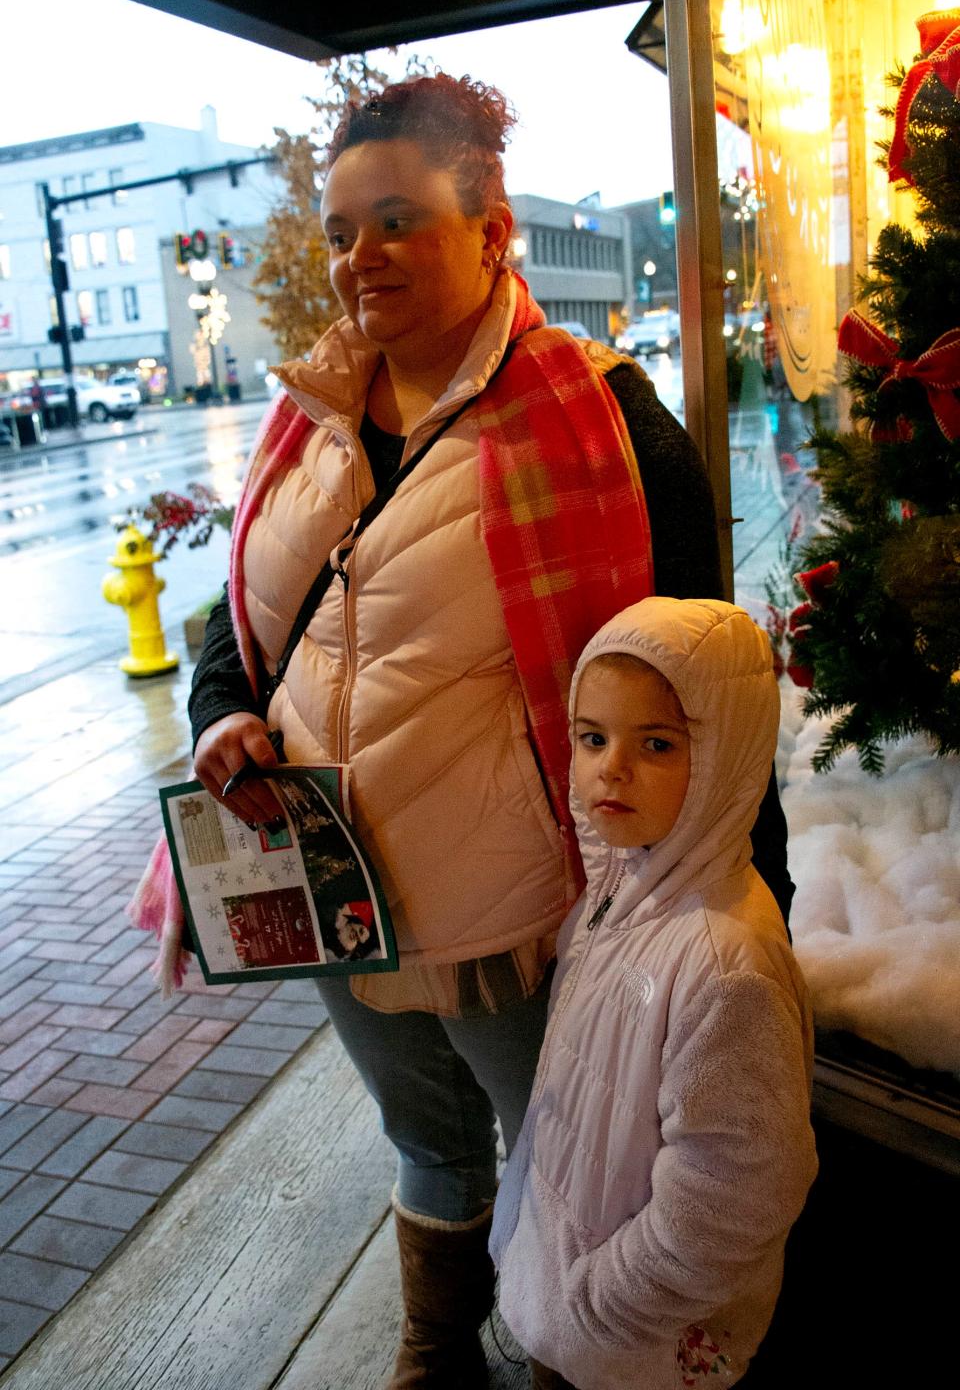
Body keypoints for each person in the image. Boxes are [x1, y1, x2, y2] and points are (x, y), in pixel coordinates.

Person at [135, 73, 794, 1387]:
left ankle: (560, 1353)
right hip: (336, 893)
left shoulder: (603, 414)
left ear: (490, 227)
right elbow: (243, 631)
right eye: (338, 229)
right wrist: (220, 723)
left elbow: (703, 682)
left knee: (569, 1166)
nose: (356, 257)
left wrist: (752, 895)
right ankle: (438, 1351)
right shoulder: (309, 417)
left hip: (515, 915)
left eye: (395, 219)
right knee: (426, 1142)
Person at [491, 597, 817, 1390]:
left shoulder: (722, 964)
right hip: (574, 1303)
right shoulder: (620, 889)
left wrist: (592, 1309)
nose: (613, 768)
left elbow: (730, 1201)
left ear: (727, 760)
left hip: (637, 1344)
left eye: (659, 743)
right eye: (592, 737)